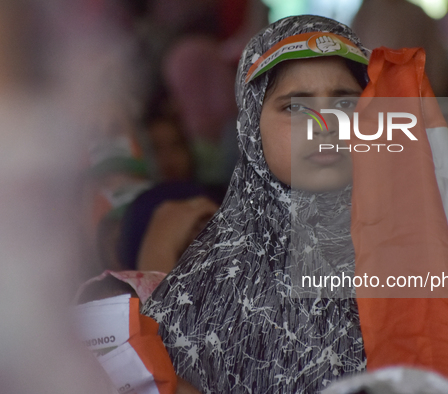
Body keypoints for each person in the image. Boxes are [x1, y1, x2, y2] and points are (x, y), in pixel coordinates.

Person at [142, 15, 371, 393]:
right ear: (251, 125)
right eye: (295, 108)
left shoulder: (419, 245)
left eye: (346, 101)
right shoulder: (204, 285)